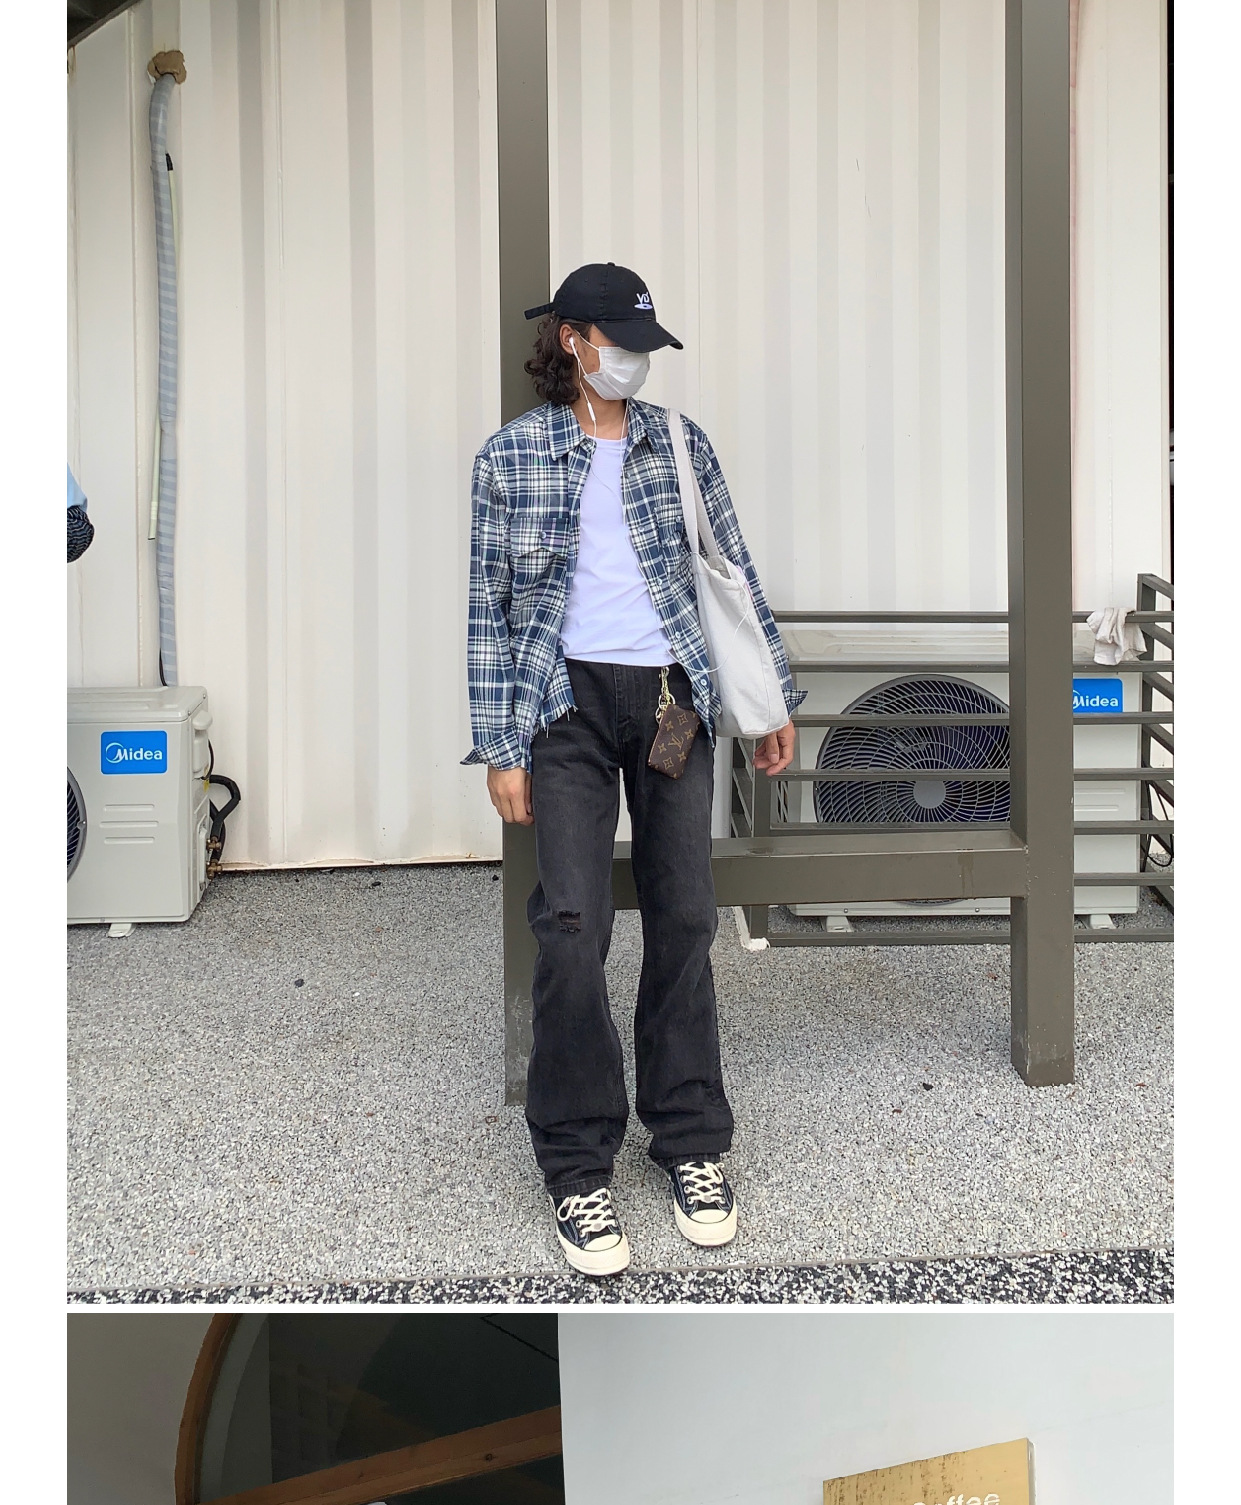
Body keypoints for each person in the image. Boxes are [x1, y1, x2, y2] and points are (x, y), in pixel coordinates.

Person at [464, 262, 802, 1276]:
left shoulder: (680, 444)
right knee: (570, 926)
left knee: (685, 915)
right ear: (570, 340)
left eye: (645, 346)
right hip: (561, 707)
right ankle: (577, 1162)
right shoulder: (509, 458)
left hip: (670, 700)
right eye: (619, 343)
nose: (634, 362)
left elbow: (731, 572)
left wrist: (770, 699)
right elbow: (487, 611)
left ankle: (689, 1139)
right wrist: (500, 746)